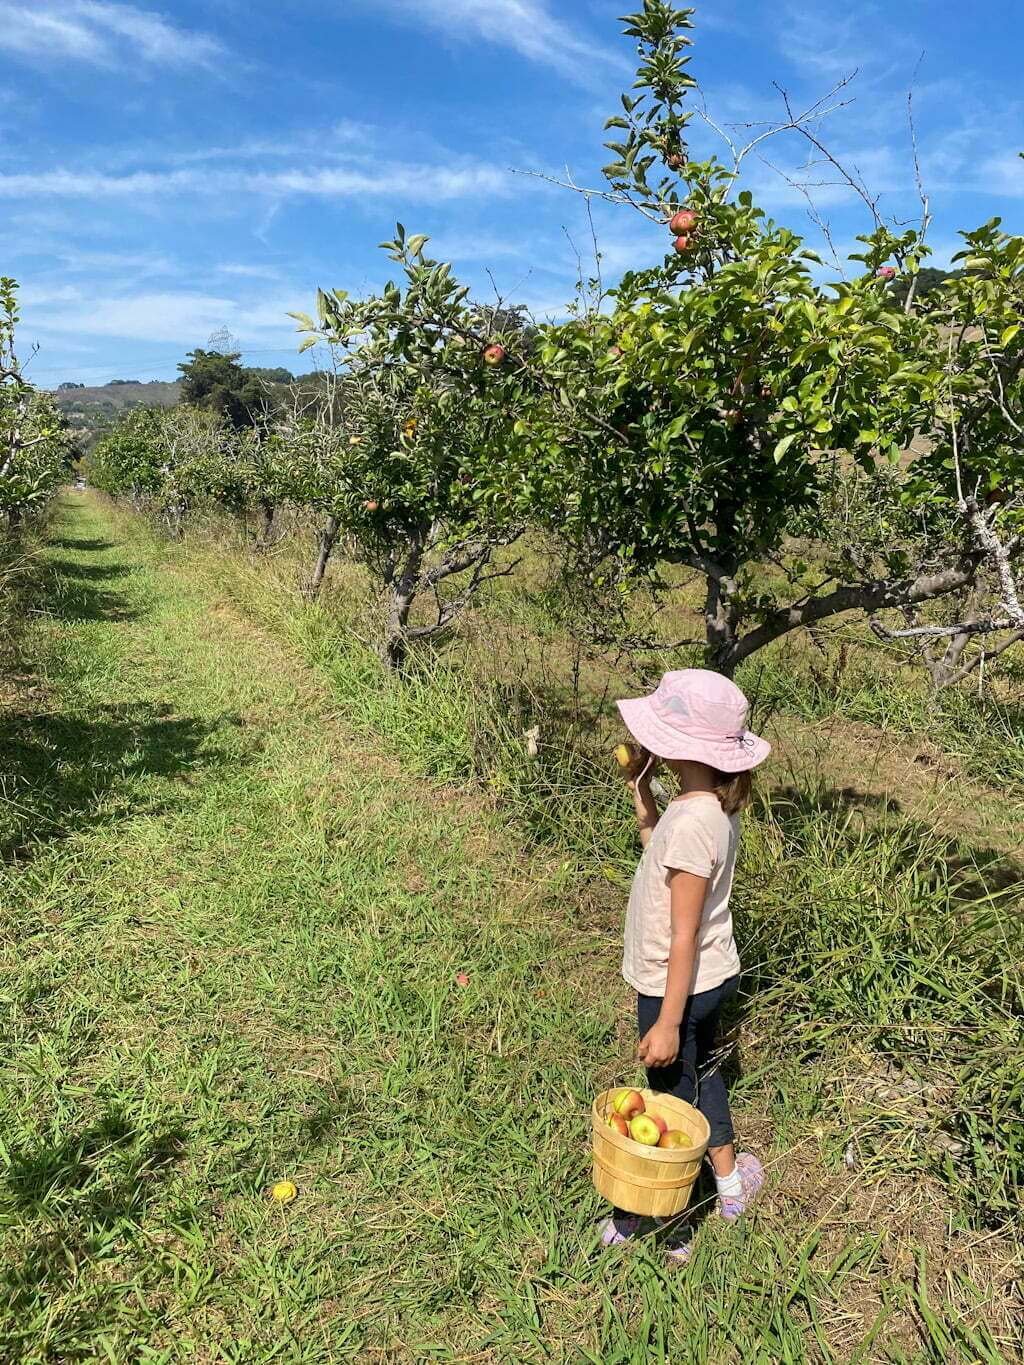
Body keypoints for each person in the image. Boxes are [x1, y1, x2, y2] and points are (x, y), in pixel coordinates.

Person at [601, 669, 770, 1257]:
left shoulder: (698, 822)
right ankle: (728, 1184)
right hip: (709, 978)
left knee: (669, 1096)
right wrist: (641, 794)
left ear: (680, 747)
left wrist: (667, 1020)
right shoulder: (703, 807)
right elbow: (660, 850)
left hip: (678, 985)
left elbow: (683, 931)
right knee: (702, 1077)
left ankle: (663, 1220)